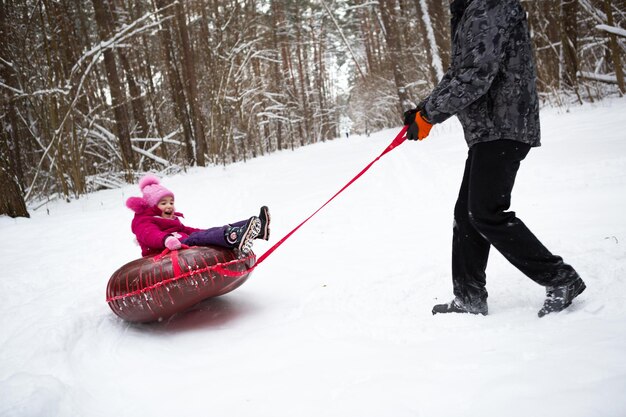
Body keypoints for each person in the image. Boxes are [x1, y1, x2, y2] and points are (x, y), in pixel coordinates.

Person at [402, 0, 585, 317]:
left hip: (504, 123)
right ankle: (469, 296)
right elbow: (460, 73)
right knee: (467, 213)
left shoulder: (490, 6)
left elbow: (477, 74)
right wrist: (423, 109)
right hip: (490, 128)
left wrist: (430, 115)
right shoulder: (472, 10)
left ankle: (561, 279)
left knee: (486, 212)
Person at [125, 175, 270, 257]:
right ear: (152, 206)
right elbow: (150, 234)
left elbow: (186, 229)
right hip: (164, 252)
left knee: (207, 232)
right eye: (163, 203)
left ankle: (254, 227)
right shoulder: (143, 221)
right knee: (196, 239)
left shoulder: (170, 219)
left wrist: (206, 231)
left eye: (171, 202)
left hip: (181, 243)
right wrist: (166, 239)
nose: (169, 206)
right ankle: (234, 237)